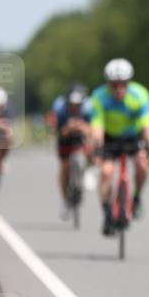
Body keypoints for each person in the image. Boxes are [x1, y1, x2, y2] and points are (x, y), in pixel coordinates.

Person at [90, 59, 149, 236]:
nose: (119, 89)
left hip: (132, 137)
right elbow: (97, 127)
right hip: (110, 138)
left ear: (129, 82)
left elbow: (148, 126)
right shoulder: (99, 97)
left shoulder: (140, 95)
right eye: (114, 85)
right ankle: (107, 214)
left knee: (143, 164)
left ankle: (136, 198)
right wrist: (97, 147)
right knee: (106, 172)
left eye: (123, 84)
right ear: (108, 83)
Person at [51, 83, 93, 219]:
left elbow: (93, 130)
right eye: (72, 105)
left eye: (78, 105)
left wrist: (82, 127)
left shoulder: (89, 108)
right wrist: (68, 129)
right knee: (65, 166)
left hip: (82, 138)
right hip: (65, 139)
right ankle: (65, 200)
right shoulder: (60, 108)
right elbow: (56, 131)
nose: (75, 108)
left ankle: (85, 171)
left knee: (91, 150)